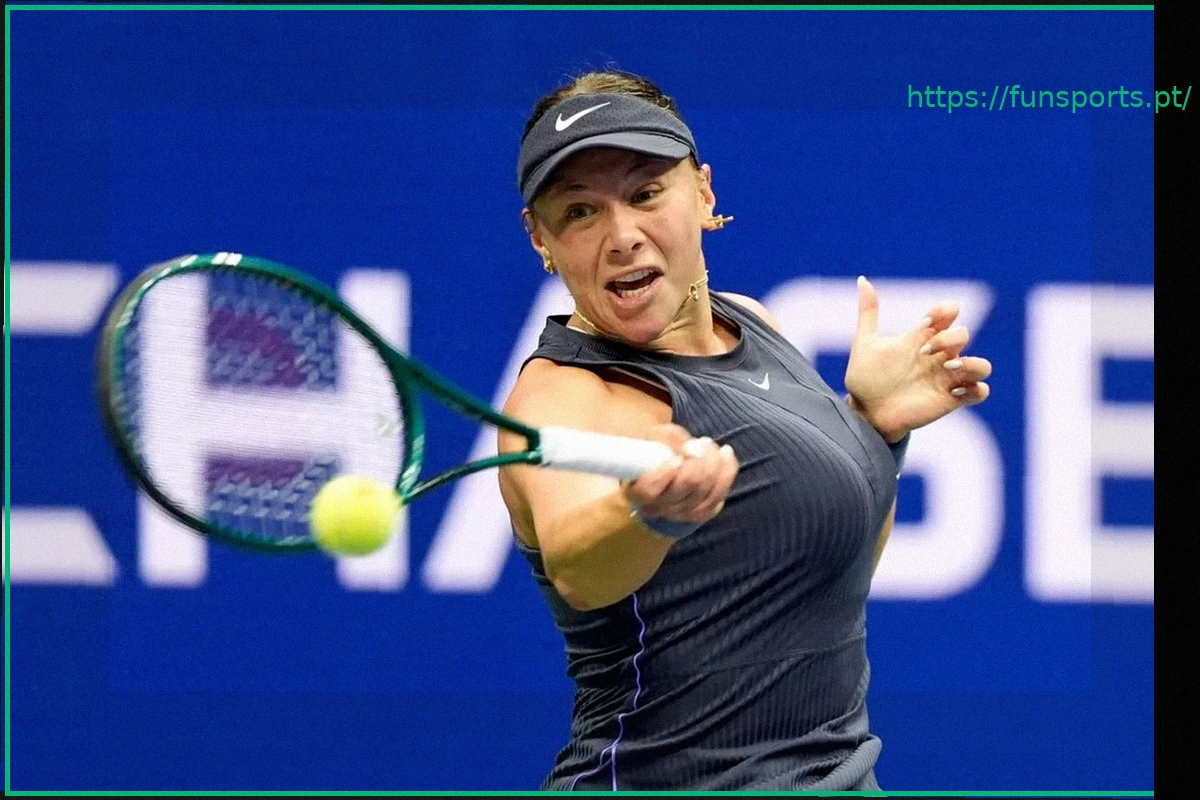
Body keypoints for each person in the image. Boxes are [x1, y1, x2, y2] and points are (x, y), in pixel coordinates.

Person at [496, 71, 991, 792]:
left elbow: (826, 571)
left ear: (703, 193)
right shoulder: (565, 394)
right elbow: (580, 568)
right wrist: (645, 513)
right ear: (541, 239)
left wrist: (876, 430)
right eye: (580, 211)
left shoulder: (753, 322)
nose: (622, 236)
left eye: (645, 193)